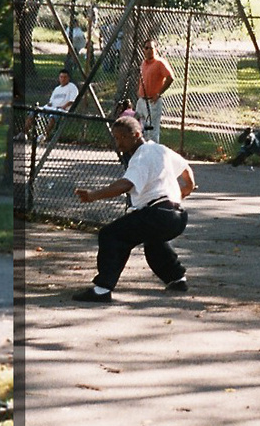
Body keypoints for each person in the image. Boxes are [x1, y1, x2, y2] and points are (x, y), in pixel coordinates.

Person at [69, 115, 193, 302]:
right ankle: (177, 278)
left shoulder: (141, 156)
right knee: (153, 241)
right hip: (178, 217)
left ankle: (102, 289)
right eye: (116, 138)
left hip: (158, 214)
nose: (119, 143)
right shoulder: (160, 149)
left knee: (111, 235)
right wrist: (186, 190)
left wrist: (94, 195)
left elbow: (126, 185)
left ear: (136, 134)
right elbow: (186, 169)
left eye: (123, 138)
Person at [137, 40, 174, 140]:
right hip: (142, 101)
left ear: (156, 50)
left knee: (152, 133)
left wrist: (158, 93)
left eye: (151, 48)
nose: (149, 50)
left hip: (153, 102)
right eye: (146, 48)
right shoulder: (143, 63)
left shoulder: (160, 63)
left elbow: (170, 77)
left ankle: (152, 154)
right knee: (140, 131)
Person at [28, 68, 79, 136]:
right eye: (61, 77)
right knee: (33, 113)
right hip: (51, 108)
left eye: (65, 77)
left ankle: (44, 135)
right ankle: (24, 133)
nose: (63, 79)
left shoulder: (72, 87)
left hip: (62, 110)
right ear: (59, 78)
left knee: (53, 117)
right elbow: (51, 101)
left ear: (68, 78)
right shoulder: (57, 89)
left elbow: (72, 101)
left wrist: (63, 107)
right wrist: (49, 104)